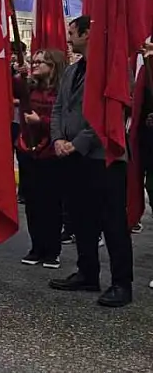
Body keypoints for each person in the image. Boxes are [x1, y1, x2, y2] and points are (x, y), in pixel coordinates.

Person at [48, 16, 133, 307]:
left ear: (87, 34)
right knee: (81, 219)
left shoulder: (112, 70)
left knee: (112, 223)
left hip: (103, 157)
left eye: (72, 33)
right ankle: (87, 273)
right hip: (71, 156)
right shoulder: (72, 70)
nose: (69, 38)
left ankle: (122, 283)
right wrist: (58, 138)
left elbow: (109, 115)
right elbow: (59, 107)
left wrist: (78, 143)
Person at [15, 47, 67, 269]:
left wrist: (42, 122)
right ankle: (36, 246)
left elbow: (64, 121)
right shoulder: (28, 88)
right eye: (33, 61)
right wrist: (16, 72)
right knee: (33, 203)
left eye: (40, 62)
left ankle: (52, 250)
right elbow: (9, 84)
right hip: (29, 151)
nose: (35, 65)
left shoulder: (61, 92)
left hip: (51, 154)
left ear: (53, 67)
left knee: (51, 204)